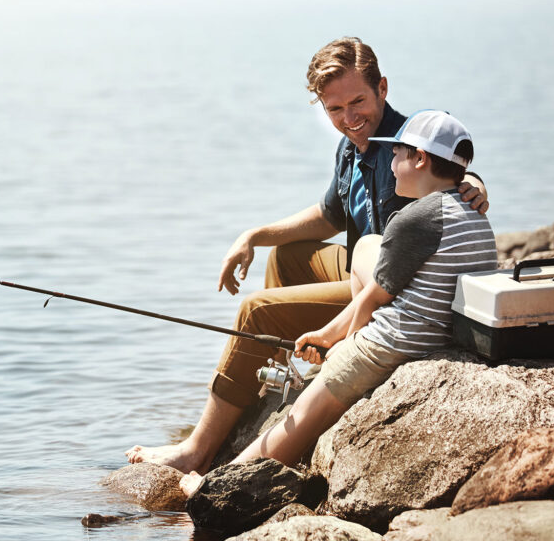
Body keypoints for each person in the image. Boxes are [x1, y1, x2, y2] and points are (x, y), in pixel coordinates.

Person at [125, 38, 489, 474]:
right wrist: (254, 235)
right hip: (364, 267)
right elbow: (329, 215)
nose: (350, 119)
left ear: (383, 89)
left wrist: (478, 184)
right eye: (335, 109)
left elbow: (450, 176)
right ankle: (275, 383)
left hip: (393, 291)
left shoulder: (407, 143)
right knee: (286, 256)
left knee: (257, 311)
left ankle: (197, 450)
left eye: (358, 101)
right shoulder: (350, 148)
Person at [176, 109, 498, 494]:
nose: (392, 165)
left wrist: (334, 338)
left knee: (301, 417)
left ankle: (217, 486)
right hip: (437, 331)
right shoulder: (474, 215)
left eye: (396, 155)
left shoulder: (414, 218)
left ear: (421, 159)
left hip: (393, 342)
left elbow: (373, 300)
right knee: (363, 245)